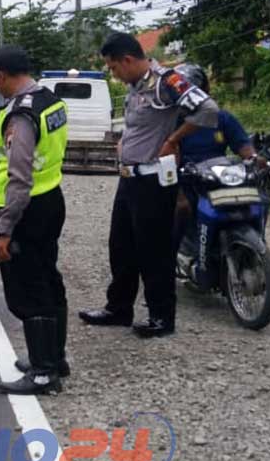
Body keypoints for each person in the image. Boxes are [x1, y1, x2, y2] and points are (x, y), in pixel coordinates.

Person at [79, 33, 219, 338]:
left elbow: (208, 110)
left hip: (154, 180)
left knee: (153, 251)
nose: (114, 75)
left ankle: (161, 317)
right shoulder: (135, 86)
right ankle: (118, 309)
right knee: (121, 246)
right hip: (129, 178)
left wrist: (172, 139)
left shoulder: (166, 82)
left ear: (127, 60)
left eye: (114, 68)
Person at [0, 46, 71, 395]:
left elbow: (19, 177)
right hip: (51, 198)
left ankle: (44, 373)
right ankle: (54, 356)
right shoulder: (50, 100)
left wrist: (3, 231)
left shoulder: (20, 115)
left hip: (24, 208)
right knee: (48, 277)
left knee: (28, 288)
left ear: (1, 75)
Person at [171, 63, 258, 254]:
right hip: (184, 179)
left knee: (255, 202)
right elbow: (169, 155)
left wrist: (255, 159)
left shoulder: (221, 117)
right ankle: (173, 255)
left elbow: (242, 145)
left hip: (217, 177)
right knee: (181, 208)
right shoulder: (171, 121)